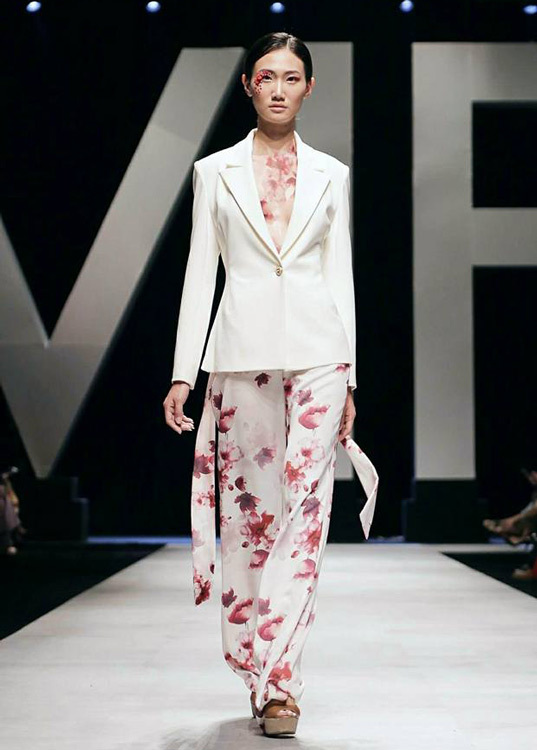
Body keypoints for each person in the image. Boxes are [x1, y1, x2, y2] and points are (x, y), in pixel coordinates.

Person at [163, 32, 379, 737]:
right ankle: (255, 667)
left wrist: (350, 377)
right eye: (267, 76)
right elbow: (200, 273)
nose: (279, 89)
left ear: (309, 87)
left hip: (319, 354)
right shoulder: (214, 172)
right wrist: (182, 372)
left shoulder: (332, 175)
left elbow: (339, 276)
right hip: (241, 354)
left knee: (305, 516)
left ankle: (282, 684)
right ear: (247, 86)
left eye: (291, 77)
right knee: (251, 518)